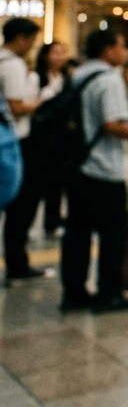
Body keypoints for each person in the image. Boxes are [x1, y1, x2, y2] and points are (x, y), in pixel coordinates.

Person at [61, 29, 128, 313]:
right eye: (122, 45)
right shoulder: (108, 78)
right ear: (107, 50)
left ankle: (74, 293)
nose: (126, 51)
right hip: (103, 168)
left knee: (77, 232)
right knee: (113, 233)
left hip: (77, 165)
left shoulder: (79, 75)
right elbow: (112, 124)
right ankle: (110, 292)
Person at [0, 17, 45, 284]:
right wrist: (39, 102)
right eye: (31, 41)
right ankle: (17, 264)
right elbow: (16, 107)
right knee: (21, 206)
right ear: (20, 38)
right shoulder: (13, 64)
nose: (32, 47)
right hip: (13, 143)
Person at [36, 42, 71, 237]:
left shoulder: (67, 78)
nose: (59, 57)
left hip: (62, 136)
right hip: (42, 136)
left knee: (58, 182)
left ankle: (53, 219)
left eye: (62, 53)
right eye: (55, 53)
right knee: (42, 180)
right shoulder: (37, 78)